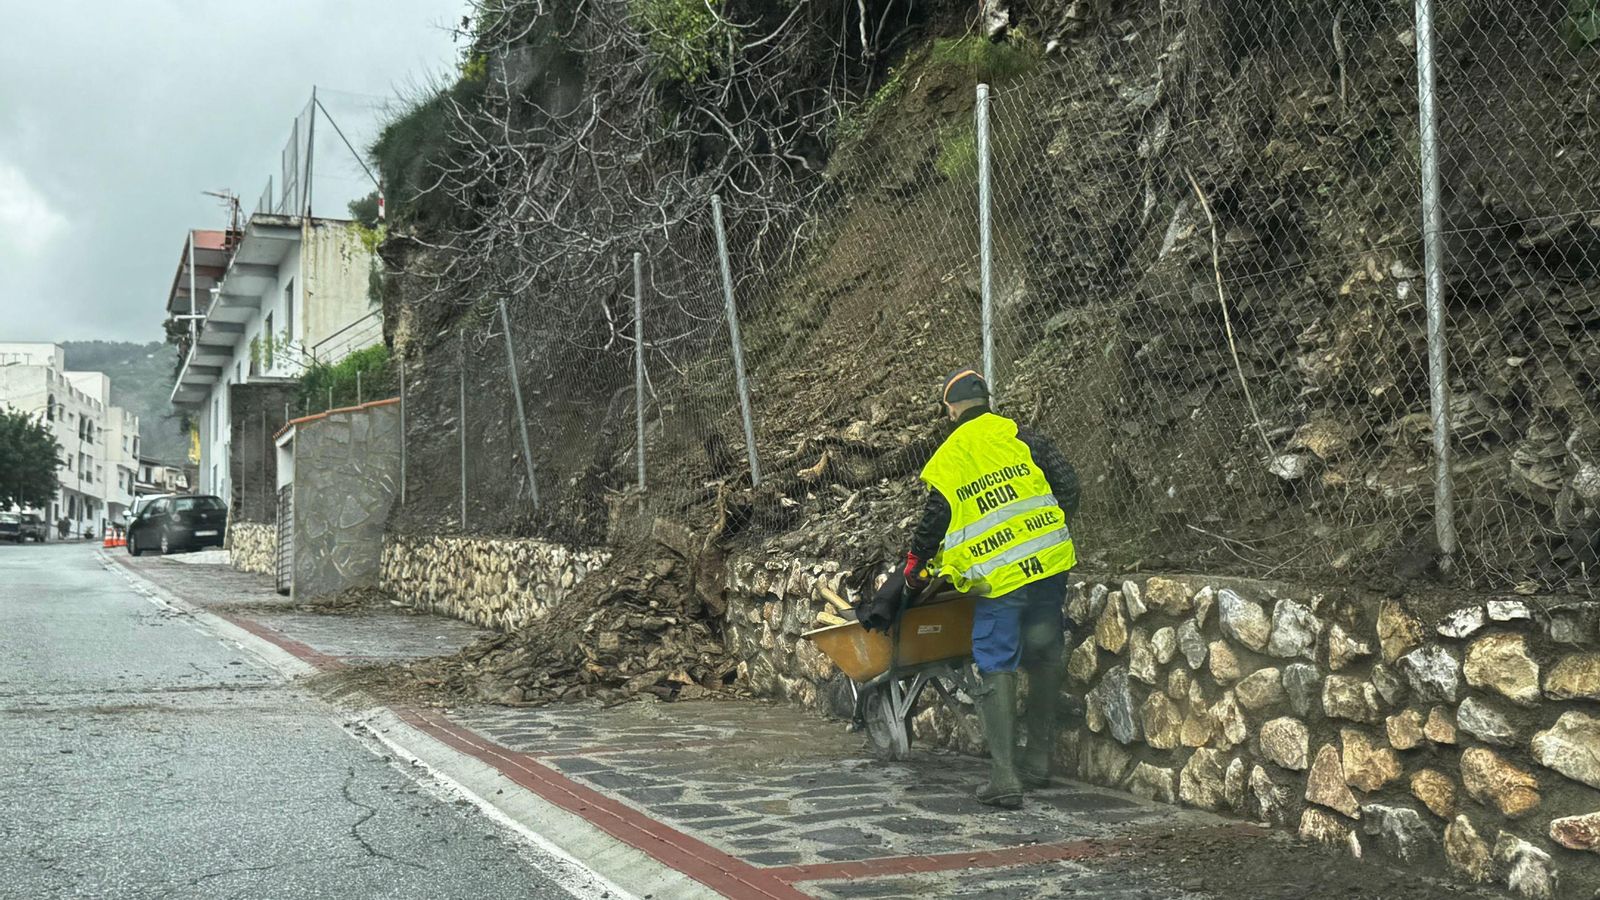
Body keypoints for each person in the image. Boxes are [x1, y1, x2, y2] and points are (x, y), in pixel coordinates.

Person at [860, 369, 1080, 809]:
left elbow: (935, 520)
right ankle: (1037, 761)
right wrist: (1046, 530)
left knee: (996, 658)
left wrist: (914, 566)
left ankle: (1004, 777)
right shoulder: (1021, 436)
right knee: (1044, 652)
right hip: (1050, 563)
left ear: (951, 409)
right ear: (986, 401)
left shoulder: (952, 454)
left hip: (1000, 578)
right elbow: (1069, 486)